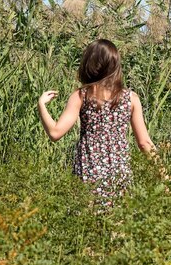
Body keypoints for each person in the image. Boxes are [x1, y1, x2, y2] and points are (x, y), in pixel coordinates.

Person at [37, 39, 156, 205]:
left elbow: (55, 133)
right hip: (118, 175)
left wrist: (41, 105)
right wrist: (163, 175)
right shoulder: (131, 99)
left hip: (88, 173)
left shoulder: (81, 96)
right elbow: (145, 143)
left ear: (89, 64)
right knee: (117, 225)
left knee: (87, 226)